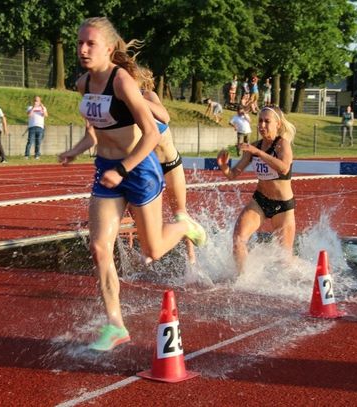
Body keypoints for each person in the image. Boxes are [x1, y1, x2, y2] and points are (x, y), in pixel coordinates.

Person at [59, 17, 206, 352]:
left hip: (138, 169)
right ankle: (115, 325)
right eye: (79, 43)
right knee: (99, 248)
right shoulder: (83, 83)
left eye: (90, 44)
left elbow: (153, 131)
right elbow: (93, 132)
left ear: (109, 48)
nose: (82, 49)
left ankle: (183, 226)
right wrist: (76, 150)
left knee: (152, 249)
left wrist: (124, 168)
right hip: (107, 170)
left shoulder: (121, 81)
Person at [217, 106, 296, 274]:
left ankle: (308, 271)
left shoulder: (282, 144)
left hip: (282, 206)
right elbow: (233, 174)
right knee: (238, 239)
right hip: (260, 201)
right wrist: (224, 168)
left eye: (267, 122)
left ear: (278, 124)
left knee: (285, 260)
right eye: (260, 121)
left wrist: (259, 153)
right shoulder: (254, 147)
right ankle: (242, 278)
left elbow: (283, 168)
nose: (262, 125)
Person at [138, 67, 196, 265]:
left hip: (170, 165)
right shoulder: (125, 106)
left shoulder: (149, 95)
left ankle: (192, 261)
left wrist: (138, 99)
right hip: (149, 169)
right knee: (142, 216)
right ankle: (153, 248)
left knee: (180, 214)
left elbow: (165, 117)